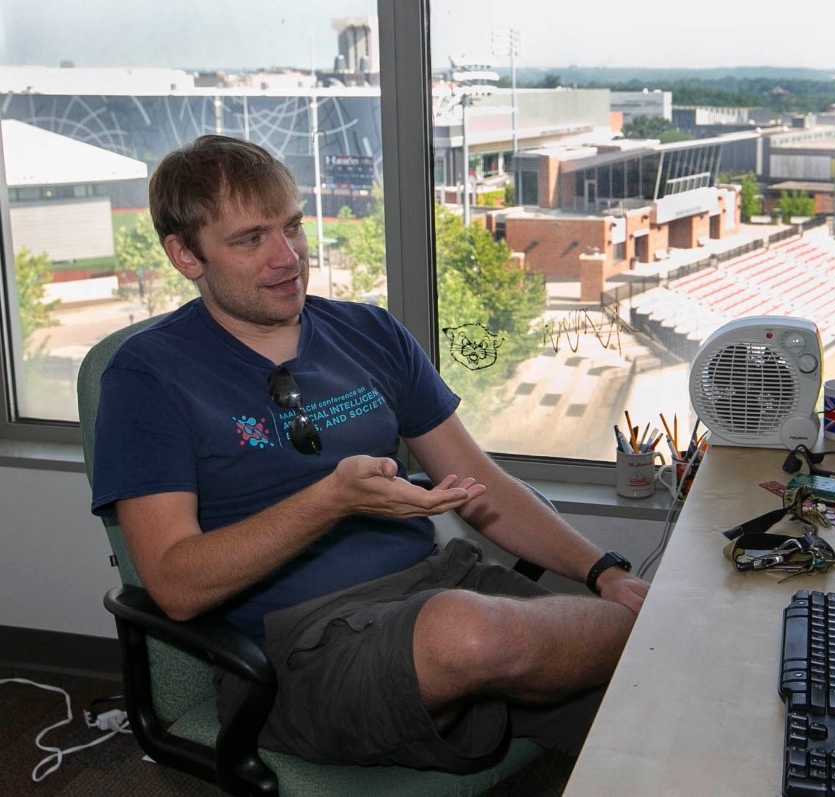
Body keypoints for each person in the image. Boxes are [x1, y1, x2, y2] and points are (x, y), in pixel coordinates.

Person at [89, 134, 649, 772]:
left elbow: (481, 485)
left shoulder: (370, 332)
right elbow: (175, 586)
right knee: (470, 635)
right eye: (250, 239)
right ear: (185, 254)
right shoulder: (148, 377)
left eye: (292, 227)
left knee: (672, 684)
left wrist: (606, 572)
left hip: (442, 590)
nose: (287, 258)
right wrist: (330, 501)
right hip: (299, 652)